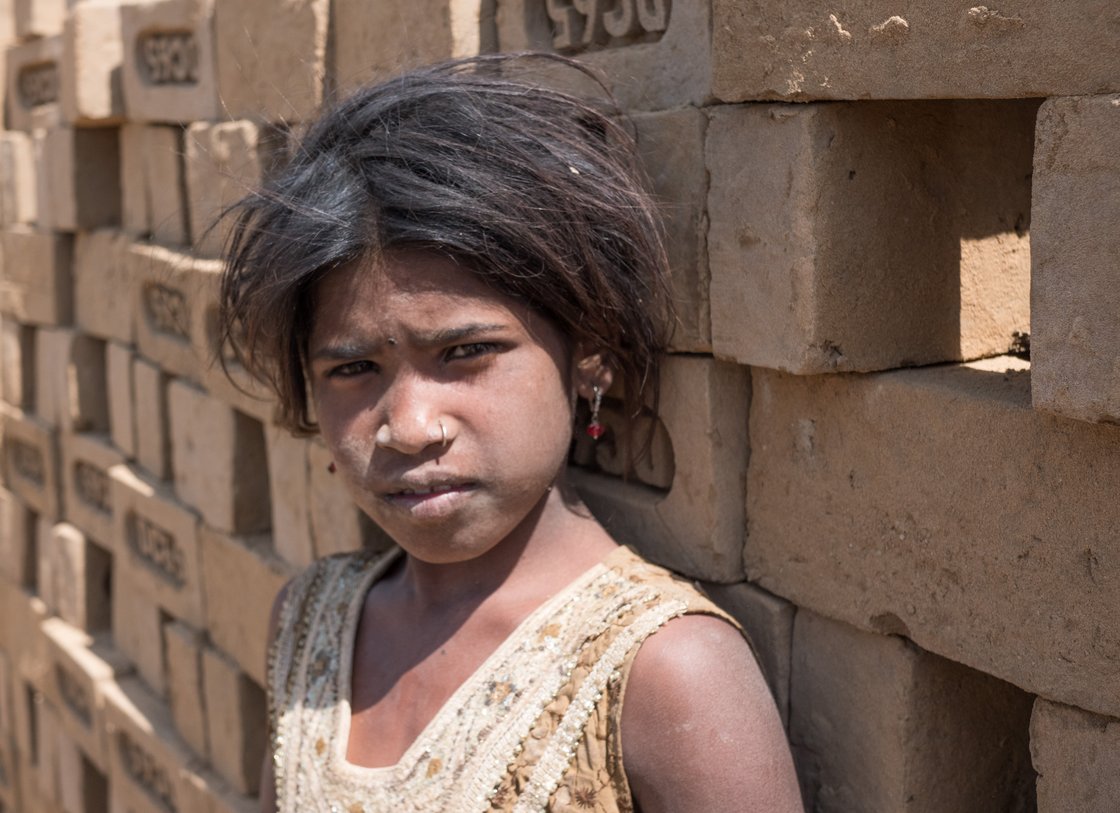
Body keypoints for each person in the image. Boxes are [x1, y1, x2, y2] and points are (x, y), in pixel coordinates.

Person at [218, 54, 803, 813]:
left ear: (588, 356)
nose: (409, 426)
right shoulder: (311, 622)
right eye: (354, 368)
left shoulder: (663, 671)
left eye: (466, 353)